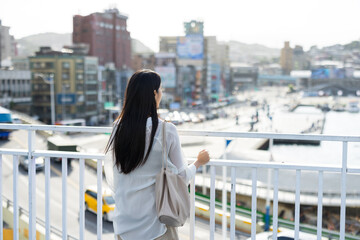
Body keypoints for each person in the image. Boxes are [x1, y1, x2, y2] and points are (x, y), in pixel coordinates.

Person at [104, 69, 210, 240]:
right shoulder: (166, 130)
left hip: (124, 223)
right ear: (154, 93)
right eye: (161, 90)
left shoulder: (118, 127)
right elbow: (181, 177)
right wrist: (198, 162)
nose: (162, 93)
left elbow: (114, 175)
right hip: (155, 226)